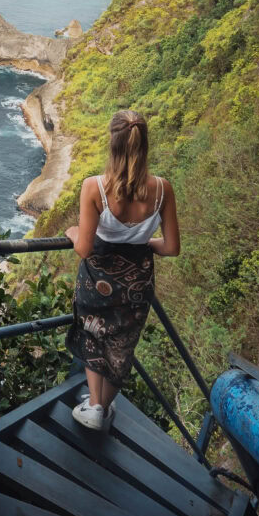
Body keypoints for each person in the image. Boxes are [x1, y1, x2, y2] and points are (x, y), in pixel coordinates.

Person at [64, 109, 180, 431]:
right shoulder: (163, 190)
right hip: (136, 284)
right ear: (145, 145)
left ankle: (94, 406)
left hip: (98, 280)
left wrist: (73, 233)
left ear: (112, 145)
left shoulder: (94, 188)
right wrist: (140, 246)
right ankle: (101, 407)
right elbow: (171, 247)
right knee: (121, 345)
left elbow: (84, 248)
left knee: (93, 334)